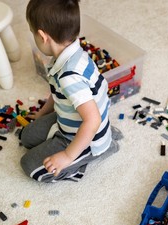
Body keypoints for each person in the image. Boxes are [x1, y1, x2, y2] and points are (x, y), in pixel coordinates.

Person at [20, 0, 121, 183]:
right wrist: (42, 114)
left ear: (43, 37)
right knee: (26, 137)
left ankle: (100, 149)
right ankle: (103, 135)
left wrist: (67, 156)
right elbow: (57, 91)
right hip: (69, 121)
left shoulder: (70, 76)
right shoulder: (72, 52)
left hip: (84, 136)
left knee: (29, 165)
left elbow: (92, 120)